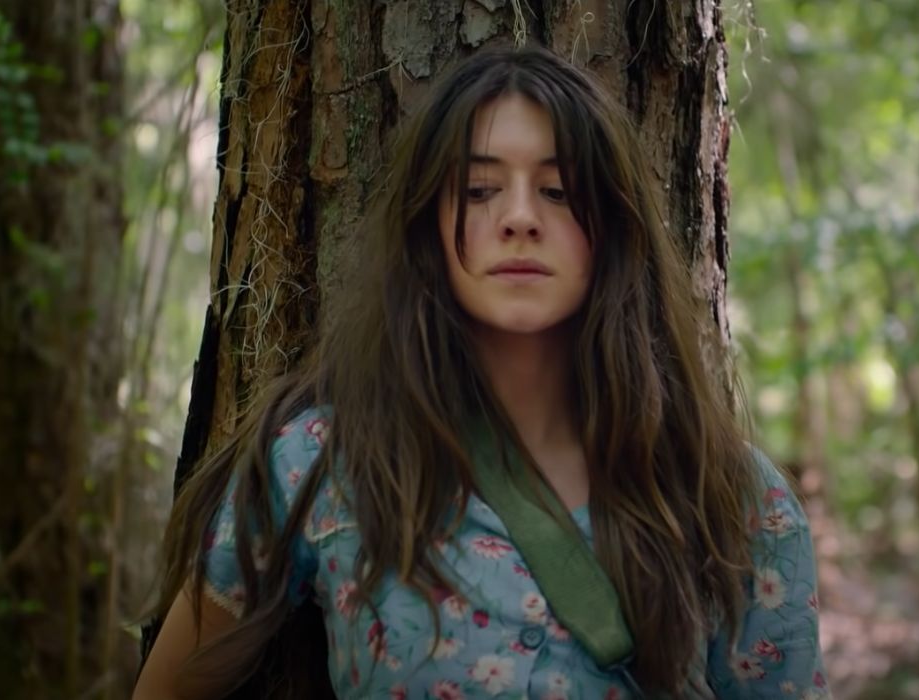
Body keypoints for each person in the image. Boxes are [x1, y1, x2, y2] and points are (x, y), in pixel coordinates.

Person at [133, 43, 829, 699]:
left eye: (557, 192)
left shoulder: (733, 502)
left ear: (614, 229)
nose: (520, 218)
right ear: (429, 227)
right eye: (479, 189)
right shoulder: (326, 464)